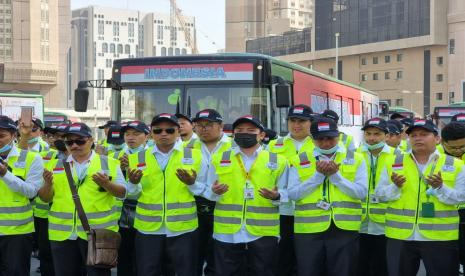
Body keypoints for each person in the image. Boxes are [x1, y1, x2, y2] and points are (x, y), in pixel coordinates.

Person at [376, 119, 465, 276]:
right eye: (414, 135)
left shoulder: (456, 164)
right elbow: (380, 195)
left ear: (437, 139)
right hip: (400, 236)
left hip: (439, 237)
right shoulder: (393, 162)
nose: (418, 138)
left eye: (424, 134)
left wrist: (441, 187)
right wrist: (394, 187)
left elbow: (461, 198)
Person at [40, 122, 128, 276]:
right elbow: (45, 198)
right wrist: (47, 184)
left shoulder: (109, 163)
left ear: (91, 140)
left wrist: (107, 184)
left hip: (97, 233)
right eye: (69, 142)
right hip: (62, 233)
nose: (74, 145)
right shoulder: (54, 165)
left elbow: (122, 193)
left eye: (79, 141)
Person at [205, 115, 288, 276]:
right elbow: (208, 191)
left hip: (263, 232)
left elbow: (287, 193)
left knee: (263, 272)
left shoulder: (278, 160)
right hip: (227, 232)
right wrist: (214, 192)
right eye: (239, 131)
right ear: (233, 134)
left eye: (251, 131)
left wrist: (276, 196)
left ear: (262, 135)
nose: (245, 134)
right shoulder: (219, 158)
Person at [127, 113, 207, 276]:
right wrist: (133, 184)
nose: (164, 134)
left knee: (186, 272)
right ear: (151, 133)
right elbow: (132, 194)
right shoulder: (136, 158)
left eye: (170, 130)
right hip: (148, 229)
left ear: (178, 132)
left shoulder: (195, 155)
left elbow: (205, 189)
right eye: (158, 130)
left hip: (183, 228)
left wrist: (192, 183)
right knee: (147, 271)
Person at [288, 117, 367, 276]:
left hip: (344, 228)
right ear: (312, 138)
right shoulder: (299, 160)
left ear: (338, 136)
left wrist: (336, 177)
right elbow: (293, 194)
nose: (326, 143)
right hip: (308, 229)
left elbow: (361, 192)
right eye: (320, 139)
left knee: (343, 271)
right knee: (309, 271)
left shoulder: (355, 158)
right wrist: (317, 177)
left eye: (330, 138)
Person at [267, 104, 314, 276]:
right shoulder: (274, 145)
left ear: (311, 122)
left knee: (307, 260)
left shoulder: (318, 143)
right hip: (282, 210)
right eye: (292, 120)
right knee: (282, 258)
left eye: (302, 121)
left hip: (311, 212)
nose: (296, 125)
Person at [189, 109, 232, 276]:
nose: (203, 129)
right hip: (195, 205)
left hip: (223, 205)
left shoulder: (233, 146)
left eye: (208, 125)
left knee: (218, 254)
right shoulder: (189, 147)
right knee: (193, 253)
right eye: (199, 125)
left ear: (220, 126)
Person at [0, 115, 44, 276]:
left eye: (2, 135)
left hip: (17, 233)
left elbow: (32, 191)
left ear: (13, 136)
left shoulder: (32, 158)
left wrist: (6, 175)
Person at [356, 118, 395, 276]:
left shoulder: (398, 156)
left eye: (377, 134)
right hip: (359, 222)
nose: (371, 138)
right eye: (368, 133)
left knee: (382, 266)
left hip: (385, 224)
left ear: (387, 136)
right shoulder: (354, 155)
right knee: (359, 266)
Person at [116, 121, 150, 276]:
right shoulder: (115, 156)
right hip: (122, 215)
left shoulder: (152, 156)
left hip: (146, 214)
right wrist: (123, 170)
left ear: (147, 136)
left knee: (144, 258)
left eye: (136, 134)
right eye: (127, 134)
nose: (131, 138)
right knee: (124, 257)